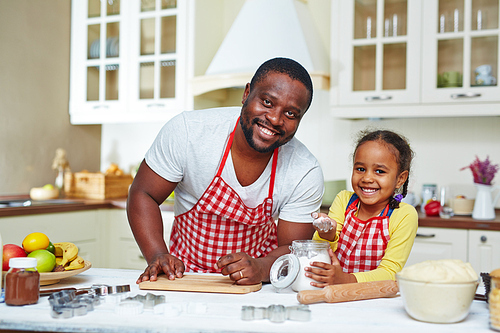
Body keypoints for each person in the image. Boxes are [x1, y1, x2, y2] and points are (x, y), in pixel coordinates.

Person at [127, 57, 324, 285]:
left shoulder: (304, 170)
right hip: (183, 278)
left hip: (257, 284)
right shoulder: (189, 132)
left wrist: (261, 268)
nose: (274, 119)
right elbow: (143, 193)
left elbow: (293, 249)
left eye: (290, 114)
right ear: (246, 93)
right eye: (267, 102)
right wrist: (157, 254)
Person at [307, 129, 418, 286]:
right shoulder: (344, 200)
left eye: (379, 171)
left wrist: (345, 280)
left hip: (374, 299)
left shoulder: (404, 215)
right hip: (334, 293)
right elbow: (318, 253)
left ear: (400, 179)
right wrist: (327, 234)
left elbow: (389, 272)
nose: (367, 178)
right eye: (360, 169)